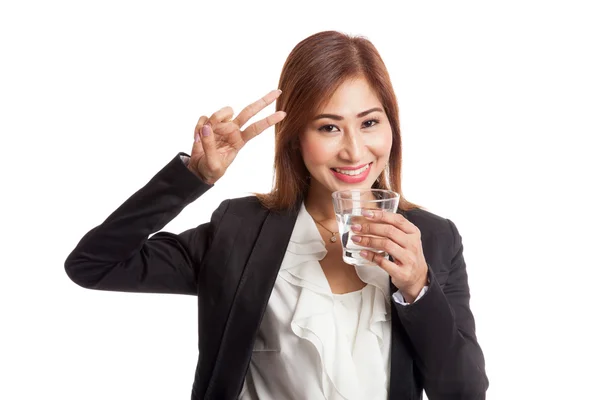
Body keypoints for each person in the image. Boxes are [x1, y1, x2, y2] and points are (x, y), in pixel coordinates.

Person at [65, 30, 488, 400]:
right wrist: (191, 177)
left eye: (369, 123)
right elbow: (94, 265)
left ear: (391, 127)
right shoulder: (240, 230)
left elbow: (464, 392)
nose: (355, 151)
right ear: (294, 138)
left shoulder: (432, 239)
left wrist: (418, 287)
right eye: (328, 127)